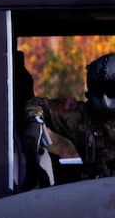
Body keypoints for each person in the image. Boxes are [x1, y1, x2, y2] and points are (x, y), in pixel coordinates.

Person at [22, 52, 115, 183]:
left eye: (112, 88)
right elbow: (37, 104)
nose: (104, 99)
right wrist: (33, 122)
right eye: (98, 88)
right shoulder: (81, 115)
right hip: (94, 193)